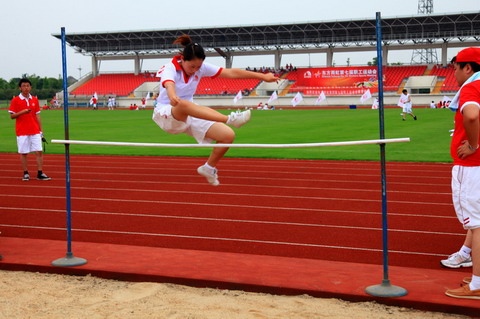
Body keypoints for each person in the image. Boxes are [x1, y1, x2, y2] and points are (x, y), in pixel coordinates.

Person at [153, 34, 278, 186]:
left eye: (198, 67)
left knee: (227, 135)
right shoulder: (170, 68)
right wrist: (172, 96)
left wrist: (263, 76)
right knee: (183, 104)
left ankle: (208, 168)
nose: (195, 70)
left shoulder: (201, 68)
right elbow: (168, 84)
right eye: (192, 66)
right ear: (183, 59)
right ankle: (230, 119)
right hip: (166, 113)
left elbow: (230, 73)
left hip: (189, 111)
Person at [444, 47, 480, 299]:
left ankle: (477, 284)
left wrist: (474, 144)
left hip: (472, 166)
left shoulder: (471, 87)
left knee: (477, 225)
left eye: (455, 66)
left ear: (468, 68)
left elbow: (471, 114)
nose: (453, 72)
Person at [8, 78, 52, 181]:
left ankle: (40, 173)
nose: (26, 88)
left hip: (35, 130)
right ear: (20, 88)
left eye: (28, 86)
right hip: (22, 131)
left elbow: (38, 116)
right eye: (24, 86)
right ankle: (25, 173)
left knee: (39, 151)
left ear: (30, 87)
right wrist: (23, 112)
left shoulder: (34, 99)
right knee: (24, 153)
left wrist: (40, 130)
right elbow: (12, 116)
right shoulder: (16, 100)